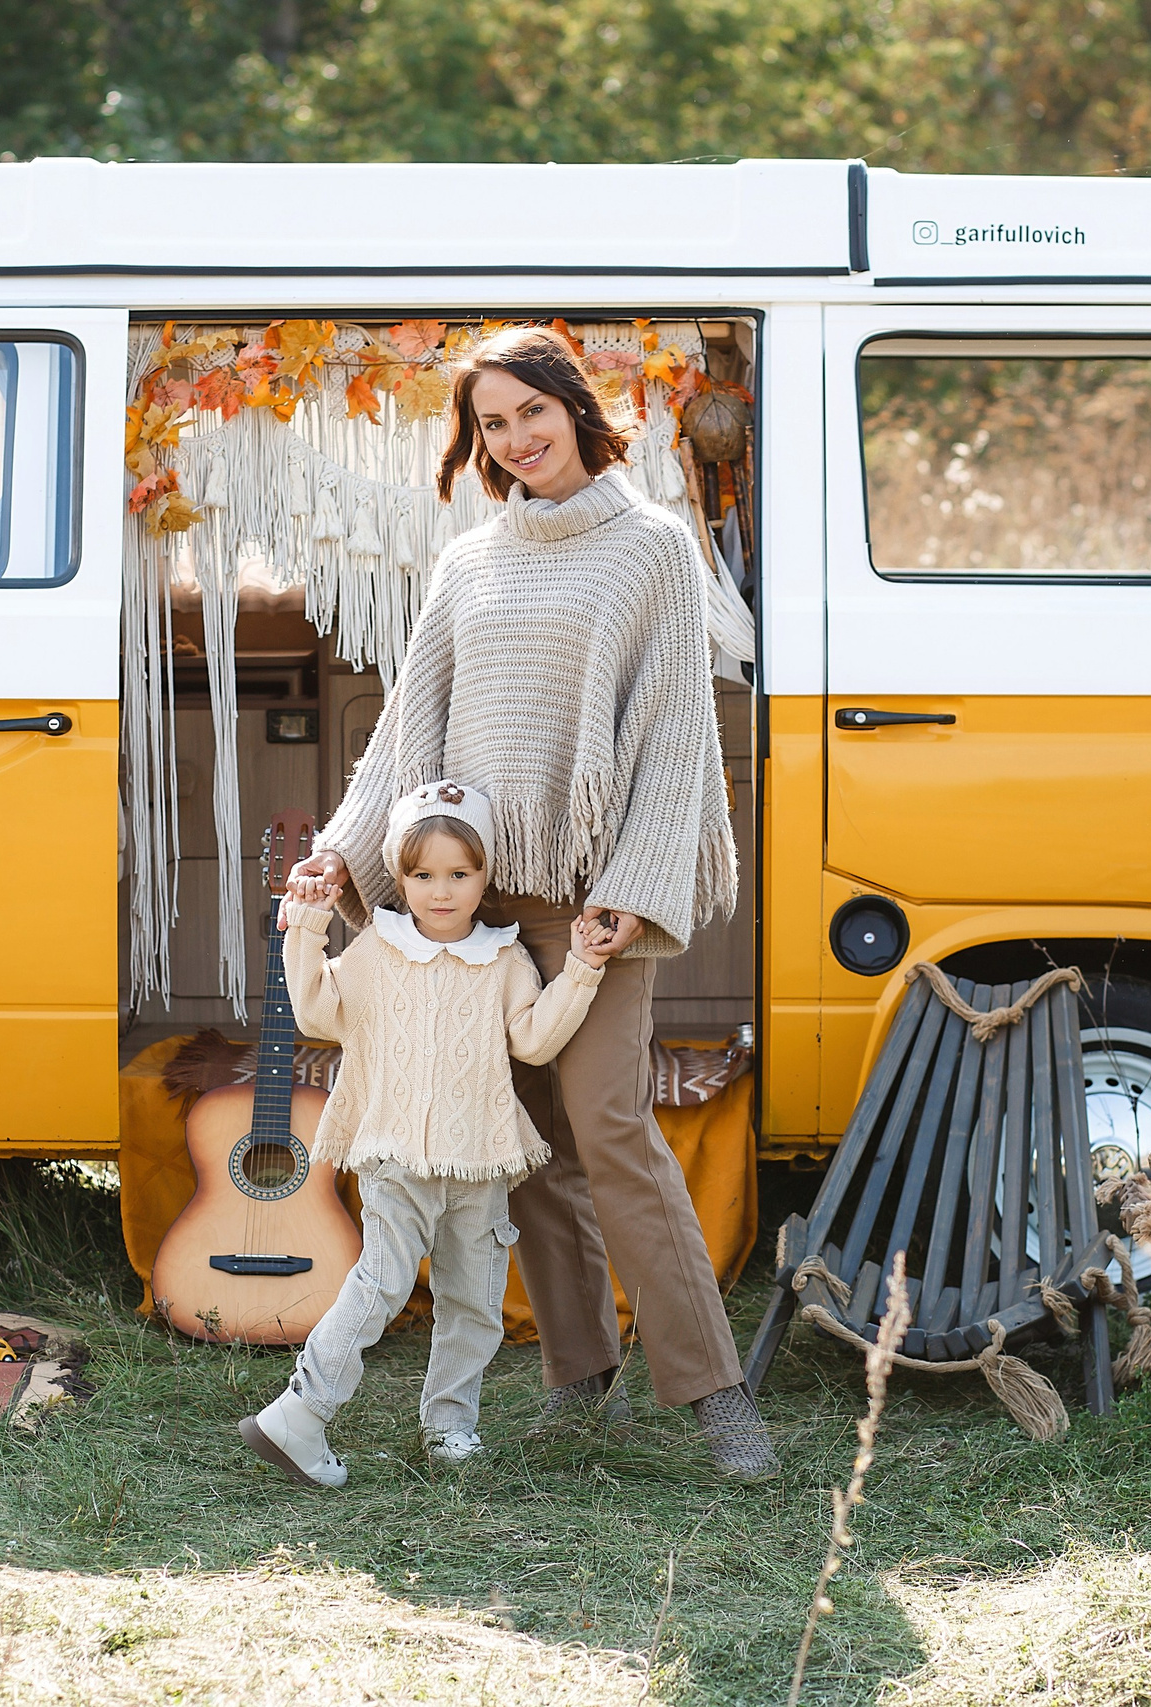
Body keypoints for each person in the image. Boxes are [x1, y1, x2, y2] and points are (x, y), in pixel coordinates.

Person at [289, 325, 778, 1480]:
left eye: (530, 413)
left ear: (573, 406)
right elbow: (410, 735)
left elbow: (672, 738)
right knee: (526, 1154)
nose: (515, 441)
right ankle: (576, 1377)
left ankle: (712, 1395)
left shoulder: (654, 549)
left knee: (609, 1131)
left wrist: (628, 894)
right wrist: (338, 856)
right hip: (467, 907)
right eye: (493, 424)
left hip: (591, 907)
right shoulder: (468, 564)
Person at [241, 779, 614, 1488]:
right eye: (421, 875)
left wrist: (583, 970)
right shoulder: (380, 949)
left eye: (459, 874)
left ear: (484, 875)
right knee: (380, 1283)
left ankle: (450, 1424)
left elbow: (533, 1040)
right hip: (398, 1157)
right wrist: (309, 930)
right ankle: (302, 1408)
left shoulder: (504, 958)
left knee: (475, 1302)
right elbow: (319, 1012)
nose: (440, 891)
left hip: (480, 1161)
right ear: (401, 875)